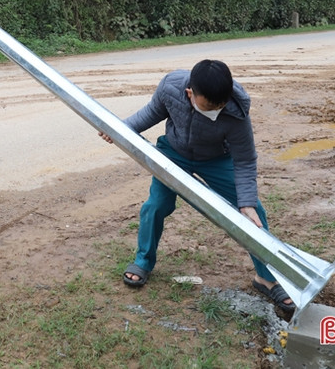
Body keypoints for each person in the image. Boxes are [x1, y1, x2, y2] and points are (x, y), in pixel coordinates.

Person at [99, 59, 295, 312]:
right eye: (208, 107)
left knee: (254, 213)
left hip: (216, 159)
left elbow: (245, 160)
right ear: (190, 93)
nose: (216, 111)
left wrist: (245, 203)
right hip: (174, 152)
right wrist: (120, 129)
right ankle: (143, 261)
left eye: (220, 106)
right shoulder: (171, 87)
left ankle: (265, 278)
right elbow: (150, 113)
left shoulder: (235, 112)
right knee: (156, 205)